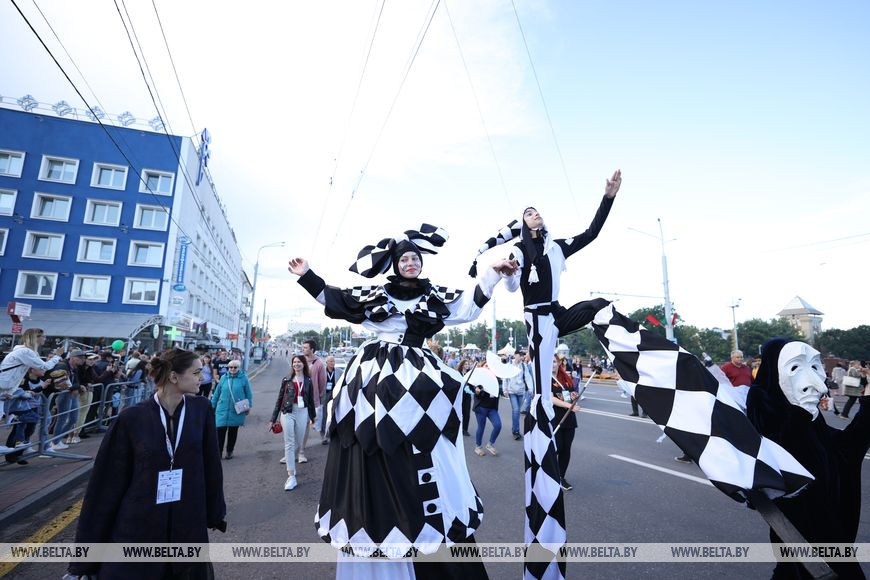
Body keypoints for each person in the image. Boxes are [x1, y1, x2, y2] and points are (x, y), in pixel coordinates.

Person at [288, 223, 510, 579]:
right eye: (404, 258)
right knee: (367, 435)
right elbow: (340, 300)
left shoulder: (434, 295)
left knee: (433, 432)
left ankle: (431, 508)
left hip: (421, 370)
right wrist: (306, 275)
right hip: (376, 372)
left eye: (414, 258)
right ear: (395, 264)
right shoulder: (376, 294)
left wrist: (493, 275)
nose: (410, 263)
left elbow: (467, 307)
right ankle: (375, 511)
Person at [469, 170, 621, 579]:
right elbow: (512, 283)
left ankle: (628, 357)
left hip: (557, 312)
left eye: (537, 211)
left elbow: (591, 233)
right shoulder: (518, 248)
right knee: (539, 382)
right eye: (528, 213)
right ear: (522, 223)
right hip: (537, 319)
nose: (534, 215)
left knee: (599, 305)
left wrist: (607, 197)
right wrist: (503, 269)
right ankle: (541, 423)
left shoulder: (556, 246)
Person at [67, 348, 226, 579]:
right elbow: (104, 488)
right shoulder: (131, 418)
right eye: (196, 372)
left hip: (187, 525)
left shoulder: (201, 410)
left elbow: (211, 466)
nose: (201, 378)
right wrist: (84, 561)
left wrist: (214, 512)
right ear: (174, 377)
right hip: (139, 528)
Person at [747, 339, 870, 579]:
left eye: (815, 368)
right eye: (795, 368)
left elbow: (844, 449)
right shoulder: (765, 401)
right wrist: (799, 414)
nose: (819, 384)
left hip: (827, 514)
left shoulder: (807, 412)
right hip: (798, 521)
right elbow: (773, 453)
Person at [268, 355, 316, 490]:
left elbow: (311, 401)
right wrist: (273, 419)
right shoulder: (287, 380)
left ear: (303, 364)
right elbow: (279, 400)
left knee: (298, 442)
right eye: (294, 362)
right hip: (287, 412)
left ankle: (290, 459)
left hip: (303, 411)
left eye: (299, 362)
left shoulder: (308, 380)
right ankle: (291, 475)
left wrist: (313, 418)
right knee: (289, 442)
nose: (296, 364)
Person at [210, 360, 253, 460]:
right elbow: (216, 393)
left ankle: (229, 451)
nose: (233, 369)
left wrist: (248, 406)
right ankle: (218, 453)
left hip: (237, 409)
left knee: (232, 433)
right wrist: (212, 406)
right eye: (231, 367)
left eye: (235, 367)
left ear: (238, 368)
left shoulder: (244, 379)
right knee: (219, 433)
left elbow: (249, 394)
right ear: (228, 368)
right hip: (222, 409)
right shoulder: (223, 378)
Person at [551, 355, 581, 491]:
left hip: (569, 418)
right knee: (557, 447)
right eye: (549, 361)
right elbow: (551, 399)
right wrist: (569, 406)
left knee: (566, 449)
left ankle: (561, 477)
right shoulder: (544, 379)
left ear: (558, 363)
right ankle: (550, 474)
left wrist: (574, 396)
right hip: (554, 418)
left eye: (554, 361)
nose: (552, 364)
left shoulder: (565, 378)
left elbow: (569, 394)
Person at [469, 363, 502, 456]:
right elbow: (471, 385)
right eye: (486, 365)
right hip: (481, 407)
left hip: (492, 408)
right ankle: (478, 447)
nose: (488, 367)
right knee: (481, 427)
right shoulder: (479, 378)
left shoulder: (496, 378)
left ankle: (490, 444)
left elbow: (500, 390)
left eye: (489, 366)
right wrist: (476, 390)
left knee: (498, 425)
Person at [301, 339, 326, 454]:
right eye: (303, 347)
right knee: (295, 424)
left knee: (305, 424)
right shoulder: (300, 361)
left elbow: (322, 383)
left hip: (310, 400)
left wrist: (317, 398)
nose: (303, 349)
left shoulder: (319, 363)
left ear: (312, 349)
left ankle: (301, 449)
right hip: (297, 398)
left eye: (306, 347)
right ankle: (293, 449)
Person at [503, 351, 531, 440]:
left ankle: (514, 428)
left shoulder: (524, 366)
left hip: (521, 391)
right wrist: (505, 389)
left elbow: (528, 377)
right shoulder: (509, 365)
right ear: (515, 355)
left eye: (523, 356)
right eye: (520, 355)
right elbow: (505, 377)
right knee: (516, 410)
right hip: (512, 391)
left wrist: (531, 389)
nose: (522, 357)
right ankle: (516, 431)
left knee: (517, 411)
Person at [320, 355, 342, 444]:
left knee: (335, 414)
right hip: (325, 395)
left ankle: (333, 435)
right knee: (324, 416)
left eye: (333, 361)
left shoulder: (339, 371)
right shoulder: (322, 372)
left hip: (335, 395)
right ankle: (324, 436)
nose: (332, 363)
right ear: (326, 362)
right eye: (330, 361)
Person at [456, 358, 474, 436]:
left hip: (467, 396)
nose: (467, 365)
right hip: (460, 396)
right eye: (465, 364)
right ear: (462, 365)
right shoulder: (458, 373)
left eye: (468, 364)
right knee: (459, 413)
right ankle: (458, 429)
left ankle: (465, 429)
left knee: (467, 413)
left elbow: (472, 385)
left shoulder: (470, 374)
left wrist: (471, 389)